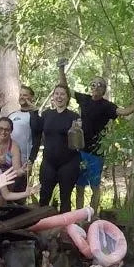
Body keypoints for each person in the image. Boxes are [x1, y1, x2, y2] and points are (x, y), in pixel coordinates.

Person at [58, 62, 134, 211]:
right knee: (79, 186)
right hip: (81, 150)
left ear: (104, 89)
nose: (96, 87)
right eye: (93, 84)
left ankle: (93, 215)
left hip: (97, 153)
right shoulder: (83, 99)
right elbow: (65, 89)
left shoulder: (107, 106)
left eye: (100, 85)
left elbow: (122, 112)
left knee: (95, 186)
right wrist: (61, 69)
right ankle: (79, 217)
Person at [31, 84, 80, 212]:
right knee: (44, 197)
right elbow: (36, 129)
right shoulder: (47, 114)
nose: (59, 96)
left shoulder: (74, 117)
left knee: (65, 198)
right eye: (56, 93)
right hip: (49, 162)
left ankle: (65, 229)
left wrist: (76, 130)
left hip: (68, 163)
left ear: (68, 97)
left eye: (62, 94)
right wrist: (35, 112)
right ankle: (43, 228)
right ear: (53, 96)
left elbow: (78, 143)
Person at [7, 85, 43, 193]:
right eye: (21, 95)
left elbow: (37, 139)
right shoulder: (12, 115)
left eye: (25, 95)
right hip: (7, 158)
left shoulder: (33, 116)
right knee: (6, 190)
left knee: (20, 192)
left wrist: (31, 159)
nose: (22, 97)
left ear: (31, 97)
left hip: (24, 160)